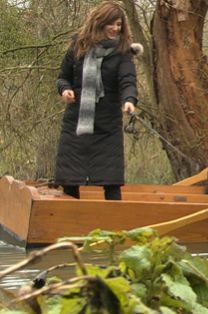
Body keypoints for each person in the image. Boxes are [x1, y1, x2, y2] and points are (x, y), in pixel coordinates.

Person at [55, 1, 138, 200]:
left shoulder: (123, 52)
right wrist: (65, 89)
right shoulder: (78, 46)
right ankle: (70, 224)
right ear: (99, 23)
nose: (115, 28)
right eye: (112, 24)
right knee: (70, 180)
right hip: (76, 123)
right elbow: (63, 77)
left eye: (119, 25)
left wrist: (129, 100)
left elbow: (128, 80)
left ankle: (115, 225)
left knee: (111, 182)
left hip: (107, 126)